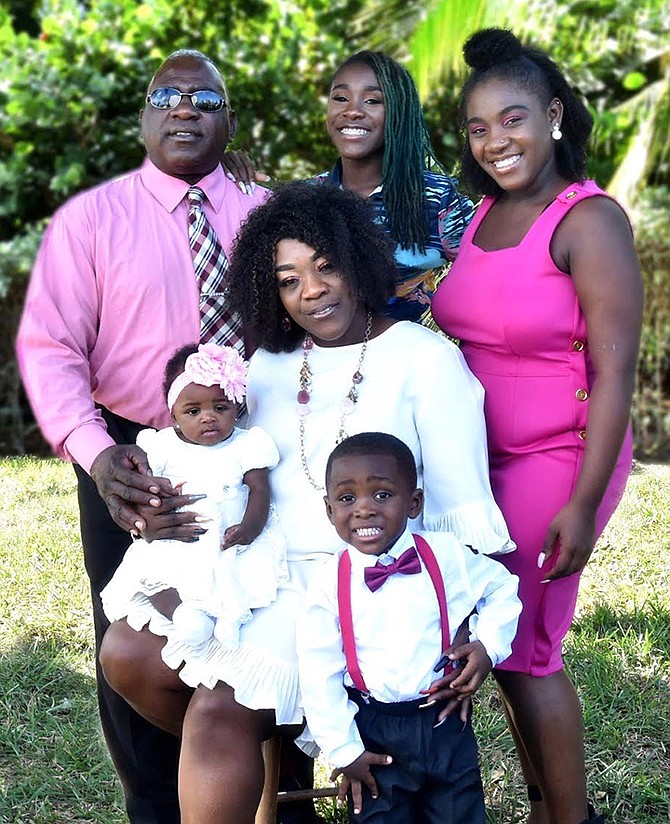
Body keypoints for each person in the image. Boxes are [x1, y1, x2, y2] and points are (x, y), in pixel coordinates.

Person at [99, 181, 515, 824]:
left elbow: (459, 518)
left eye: (325, 266)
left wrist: (460, 626)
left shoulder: (426, 362)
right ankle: (276, 754)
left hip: (363, 588)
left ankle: (262, 752)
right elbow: (228, 463)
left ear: (359, 260)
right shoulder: (267, 364)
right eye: (289, 279)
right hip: (267, 574)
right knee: (126, 654)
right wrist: (162, 505)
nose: (312, 290)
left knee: (219, 712)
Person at [15, 49, 268, 823]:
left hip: (261, 445)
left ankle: (274, 791)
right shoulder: (88, 220)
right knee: (135, 629)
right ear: (145, 117)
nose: (184, 107)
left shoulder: (269, 210)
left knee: (269, 612)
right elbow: (52, 347)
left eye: (204, 97)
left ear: (228, 121)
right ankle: (156, 804)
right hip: (131, 449)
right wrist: (99, 458)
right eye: (167, 94)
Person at [432, 28, 643, 824]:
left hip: (562, 456)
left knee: (527, 648)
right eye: (478, 128)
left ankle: (570, 816)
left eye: (513, 119)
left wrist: (585, 502)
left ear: (554, 115)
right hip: (478, 459)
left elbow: (616, 371)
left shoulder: (589, 221)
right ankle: (544, 803)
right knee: (502, 643)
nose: (495, 142)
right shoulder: (483, 209)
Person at [297, 432, 522, 824]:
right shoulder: (328, 582)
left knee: (461, 812)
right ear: (329, 509)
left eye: (382, 495)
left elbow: (501, 587)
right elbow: (318, 673)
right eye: (347, 498)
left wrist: (488, 646)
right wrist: (344, 750)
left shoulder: (444, 553)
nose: (364, 509)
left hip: (444, 719)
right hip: (375, 728)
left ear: (414, 502)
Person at [223, 50, 474, 324]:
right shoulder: (304, 199)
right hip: (324, 360)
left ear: (400, 111)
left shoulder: (436, 198)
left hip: (409, 360)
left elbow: (488, 271)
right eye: (340, 98)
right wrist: (220, 162)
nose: (352, 111)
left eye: (372, 100)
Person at [101, 342, 287, 652]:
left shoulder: (248, 444)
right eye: (193, 411)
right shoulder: (161, 447)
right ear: (173, 415)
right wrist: (149, 512)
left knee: (235, 576)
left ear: (235, 407)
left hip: (228, 539)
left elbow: (259, 490)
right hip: (178, 538)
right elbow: (146, 490)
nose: (208, 418)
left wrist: (250, 527)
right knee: (156, 575)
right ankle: (181, 614)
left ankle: (231, 616)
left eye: (220, 407)